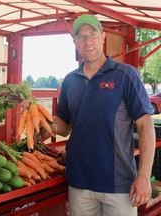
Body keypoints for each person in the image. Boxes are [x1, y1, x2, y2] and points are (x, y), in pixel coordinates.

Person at [23, 14, 156, 216]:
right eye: (81, 37)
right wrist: (44, 123)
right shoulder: (70, 81)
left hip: (119, 184)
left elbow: (145, 124)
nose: (87, 41)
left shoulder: (125, 75)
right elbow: (65, 124)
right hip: (79, 183)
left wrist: (144, 176)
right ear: (75, 42)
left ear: (102, 37)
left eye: (92, 34)